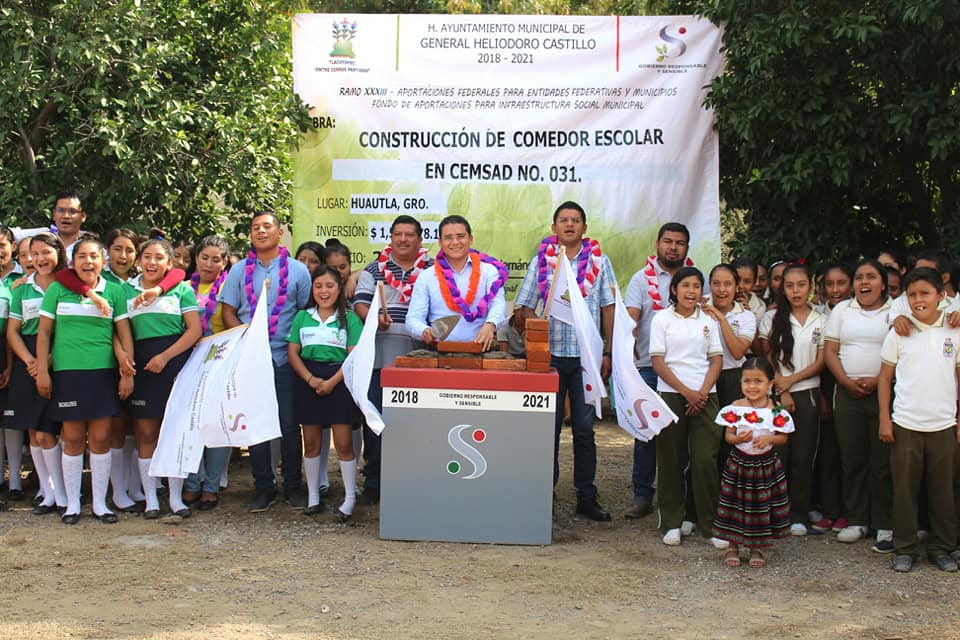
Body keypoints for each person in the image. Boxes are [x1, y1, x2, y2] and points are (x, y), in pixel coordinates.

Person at [514, 202, 616, 521]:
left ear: (585, 228)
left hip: (587, 357)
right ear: (554, 227)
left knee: (585, 430)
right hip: (551, 359)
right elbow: (524, 307)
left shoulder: (600, 262)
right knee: (549, 428)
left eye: (576, 221)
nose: (569, 225)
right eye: (563, 220)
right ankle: (545, 492)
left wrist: (608, 351)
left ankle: (586, 496)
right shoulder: (541, 262)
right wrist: (536, 332)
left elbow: (609, 307)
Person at [35, 236, 135, 524]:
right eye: (82, 256)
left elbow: (124, 334)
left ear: (102, 262)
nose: (88, 262)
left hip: (102, 374)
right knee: (73, 438)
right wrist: (43, 370)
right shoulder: (57, 290)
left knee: (102, 438)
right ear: (72, 261)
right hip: (67, 374)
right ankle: (72, 506)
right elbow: (43, 334)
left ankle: (101, 505)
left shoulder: (114, 291)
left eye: (93, 256)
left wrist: (127, 372)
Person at [219, 211, 312, 512]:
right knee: (256, 424)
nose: (261, 231)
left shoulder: (298, 271)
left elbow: (303, 315)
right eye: (255, 227)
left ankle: (293, 487)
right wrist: (246, 339)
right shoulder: (239, 271)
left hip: (286, 359)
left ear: (279, 232)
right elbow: (228, 311)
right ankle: (263, 486)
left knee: (288, 424)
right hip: (252, 360)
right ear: (251, 235)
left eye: (267, 226)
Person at [878, 267, 959, 572]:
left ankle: (941, 547)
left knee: (943, 490)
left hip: (944, 424)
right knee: (904, 490)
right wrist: (885, 419)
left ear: (941, 296)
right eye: (912, 294)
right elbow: (885, 379)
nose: (918, 300)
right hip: (906, 424)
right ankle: (905, 548)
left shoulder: (954, 330)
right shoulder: (899, 332)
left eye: (925, 293)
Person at [353, 214, 432, 505]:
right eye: (398, 234)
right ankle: (374, 481)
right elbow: (359, 303)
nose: (403, 239)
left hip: (419, 360)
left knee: (414, 424)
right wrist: (373, 318)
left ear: (419, 239)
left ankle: (412, 478)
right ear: (390, 238)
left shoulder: (433, 270)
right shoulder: (373, 270)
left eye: (409, 234)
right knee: (375, 422)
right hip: (379, 360)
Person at [124, 239, 201, 519]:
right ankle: (152, 500)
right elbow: (120, 333)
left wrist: (166, 357)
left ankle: (177, 499)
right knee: (146, 433)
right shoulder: (124, 290)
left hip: (175, 365)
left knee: (175, 433)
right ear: (139, 261)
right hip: (142, 368)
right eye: (147, 257)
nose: (152, 262)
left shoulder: (181, 289)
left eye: (159, 258)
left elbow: (193, 331)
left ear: (169, 264)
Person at [649, 266, 725, 547]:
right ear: (674, 290)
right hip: (671, 394)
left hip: (706, 395)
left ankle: (711, 526)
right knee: (670, 459)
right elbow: (658, 362)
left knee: (705, 459)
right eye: (685, 286)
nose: (691, 291)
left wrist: (701, 393)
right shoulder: (661, 319)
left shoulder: (708, 320)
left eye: (696, 286)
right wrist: (686, 393)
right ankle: (671, 521)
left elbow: (716, 359)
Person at [622, 222, 693, 519]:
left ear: (687, 248)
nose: (672, 247)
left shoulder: (694, 280)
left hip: (687, 370)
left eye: (679, 243)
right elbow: (632, 322)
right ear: (657, 244)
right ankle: (642, 495)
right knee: (647, 433)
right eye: (668, 241)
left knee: (683, 434)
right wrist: (628, 362)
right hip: (649, 368)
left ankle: (681, 496)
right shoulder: (641, 279)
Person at [823, 259, 893, 549]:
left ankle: (885, 523)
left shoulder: (897, 309)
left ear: (883, 283)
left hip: (884, 392)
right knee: (852, 459)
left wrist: (879, 380)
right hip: (847, 393)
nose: (864, 282)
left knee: (883, 461)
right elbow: (830, 351)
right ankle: (857, 520)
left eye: (871, 277)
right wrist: (846, 382)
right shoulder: (842, 310)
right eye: (860, 277)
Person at [288, 265, 363, 520]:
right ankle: (313, 497)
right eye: (318, 286)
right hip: (308, 381)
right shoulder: (302, 317)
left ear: (339, 288)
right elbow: (292, 352)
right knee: (311, 443)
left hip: (339, 380)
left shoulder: (350, 318)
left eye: (329, 286)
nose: (324, 291)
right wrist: (310, 379)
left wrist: (331, 382)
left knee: (343, 444)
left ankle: (349, 498)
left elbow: (353, 357)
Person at [758, 262, 825, 536]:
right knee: (777, 456)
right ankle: (774, 514)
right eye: (789, 285)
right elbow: (767, 356)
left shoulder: (820, 320)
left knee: (803, 457)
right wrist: (782, 389)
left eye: (801, 285)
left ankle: (798, 515)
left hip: (808, 393)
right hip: (776, 396)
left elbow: (822, 361)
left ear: (810, 287)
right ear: (781, 288)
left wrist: (793, 381)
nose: (796, 291)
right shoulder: (771, 318)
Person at [712, 358, 794, 568]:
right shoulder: (734, 409)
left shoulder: (776, 411)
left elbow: (783, 438)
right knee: (735, 504)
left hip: (765, 465)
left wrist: (769, 439)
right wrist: (739, 439)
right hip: (739, 463)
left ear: (770, 384)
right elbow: (729, 437)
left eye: (758, 381)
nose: (752, 386)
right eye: (747, 381)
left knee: (760, 506)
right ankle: (733, 546)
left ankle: (756, 547)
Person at [5, 234, 66, 514]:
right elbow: (13, 332)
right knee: (34, 429)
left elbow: (70, 328)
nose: (39, 259)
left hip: (62, 356)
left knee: (53, 429)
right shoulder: (21, 289)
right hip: (27, 360)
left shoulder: (69, 285)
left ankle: (63, 489)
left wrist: (47, 360)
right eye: (33, 254)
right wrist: (32, 360)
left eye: (45, 252)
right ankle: (47, 488)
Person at [406, 215, 507, 350]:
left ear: (470, 239)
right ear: (440, 242)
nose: (455, 242)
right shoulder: (426, 276)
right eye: (448, 238)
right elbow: (413, 318)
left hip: (481, 350)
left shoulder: (489, 271)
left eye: (460, 236)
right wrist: (424, 331)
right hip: (439, 352)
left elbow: (498, 304)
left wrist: (490, 324)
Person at [183, 235, 232, 509]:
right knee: (191, 425)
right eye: (205, 257)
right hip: (189, 363)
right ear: (196, 258)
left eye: (216, 259)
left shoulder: (228, 287)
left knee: (215, 425)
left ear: (224, 263)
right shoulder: (182, 288)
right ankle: (191, 483)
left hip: (219, 362)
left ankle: (211, 486)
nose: (209, 264)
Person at [810, 262, 854, 533]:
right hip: (824, 387)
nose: (835, 289)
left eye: (841, 283)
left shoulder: (857, 313)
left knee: (850, 453)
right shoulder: (817, 315)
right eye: (829, 284)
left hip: (852, 387)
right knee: (827, 453)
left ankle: (852, 513)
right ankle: (830, 510)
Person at [702, 264, 757, 474]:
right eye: (716, 284)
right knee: (706, 442)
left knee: (731, 438)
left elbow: (737, 352)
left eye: (727, 284)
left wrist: (721, 318)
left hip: (733, 378)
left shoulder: (746, 316)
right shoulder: (698, 307)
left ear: (736, 287)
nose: (721, 289)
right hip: (704, 377)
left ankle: (730, 497)